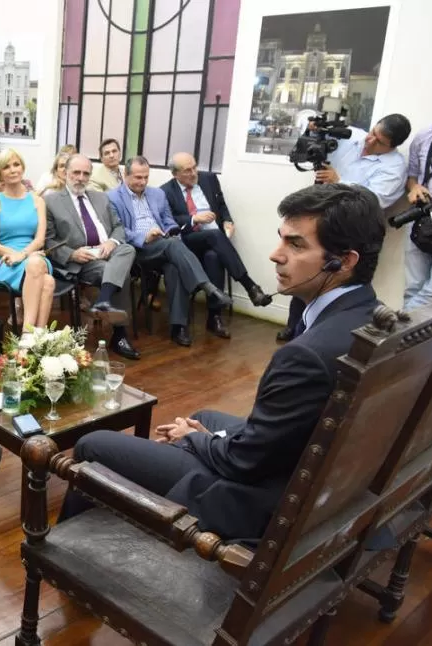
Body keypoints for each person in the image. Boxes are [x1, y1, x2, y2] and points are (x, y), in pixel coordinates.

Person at [61, 183, 385, 540]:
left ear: (344, 261)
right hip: (315, 471)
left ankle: (73, 554)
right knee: (203, 418)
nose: (275, 255)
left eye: (295, 244)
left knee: (94, 445)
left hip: (262, 495)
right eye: (281, 239)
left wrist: (199, 442)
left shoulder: (306, 357)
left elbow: (244, 463)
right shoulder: (374, 318)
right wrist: (203, 435)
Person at [278, 112, 411, 341]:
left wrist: (338, 182)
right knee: (306, 274)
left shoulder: (395, 167)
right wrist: (312, 129)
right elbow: (312, 141)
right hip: (319, 223)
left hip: (354, 233)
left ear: (392, 146)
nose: (370, 141)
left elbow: (374, 200)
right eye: (372, 133)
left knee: (342, 285)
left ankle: (327, 334)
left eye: (379, 141)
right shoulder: (352, 137)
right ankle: (295, 327)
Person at [107, 156, 231, 347]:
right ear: (126, 175)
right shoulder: (113, 197)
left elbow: (168, 221)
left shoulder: (157, 194)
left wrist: (171, 231)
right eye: (137, 178)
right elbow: (118, 229)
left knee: (174, 264)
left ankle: (178, 327)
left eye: (146, 177)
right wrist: (145, 237)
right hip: (137, 248)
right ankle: (208, 287)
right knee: (173, 246)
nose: (142, 182)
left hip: (163, 243)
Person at [162, 152, 273, 339]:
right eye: (187, 170)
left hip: (215, 240)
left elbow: (221, 205)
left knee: (213, 256)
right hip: (189, 240)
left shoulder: (209, 179)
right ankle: (250, 286)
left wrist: (228, 221)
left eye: (194, 167)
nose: (193, 173)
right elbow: (168, 220)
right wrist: (193, 218)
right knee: (214, 236)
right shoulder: (165, 191)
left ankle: (214, 317)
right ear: (175, 174)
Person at [46, 155, 139, 359]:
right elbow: (48, 241)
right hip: (84, 258)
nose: (80, 178)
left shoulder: (100, 197)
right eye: (76, 173)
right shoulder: (51, 201)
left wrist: (110, 242)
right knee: (115, 271)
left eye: (85, 173)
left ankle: (103, 299)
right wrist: (71, 253)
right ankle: (120, 335)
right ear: (66, 173)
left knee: (128, 250)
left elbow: (118, 228)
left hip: (108, 251)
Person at [0, 149, 54, 335]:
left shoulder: (38, 201)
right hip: (4, 260)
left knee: (36, 263)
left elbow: (39, 239)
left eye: (16, 164)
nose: (13, 170)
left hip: (31, 254)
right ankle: (36, 337)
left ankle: (27, 335)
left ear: (22, 168)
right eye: (6, 167)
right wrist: (16, 256)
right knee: (47, 282)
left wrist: (23, 255)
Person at [403, 80, 432, 310]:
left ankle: (398, 330)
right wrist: (414, 188)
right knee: (413, 286)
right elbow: (411, 177)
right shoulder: (424, 136)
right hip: (422, 218)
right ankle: (409, 344)